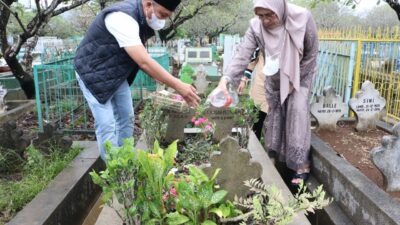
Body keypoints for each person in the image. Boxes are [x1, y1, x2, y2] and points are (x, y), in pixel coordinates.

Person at [74, 0, 200, 161]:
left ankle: (125, 159)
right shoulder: (122, 17)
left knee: (127, 118)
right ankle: (114, 172)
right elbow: (144, 61)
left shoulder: (141, 18)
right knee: (106, 124)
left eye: (167, 17)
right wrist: (178, 85)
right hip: (92, 72)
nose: (163, 20)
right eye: (162, 15)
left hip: (115, 73)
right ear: (148, 4)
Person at [216, 0, 318, 186]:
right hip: (275, 76)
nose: (265, 21)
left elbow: (311, 52)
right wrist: (226, 79)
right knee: (276, 112)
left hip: (300, 73)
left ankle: (301, 164)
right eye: (260, 15)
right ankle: (275, 153)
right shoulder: (256, 27)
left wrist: (295, 79)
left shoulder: (302, 18)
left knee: (297, 110)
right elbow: (242, 54)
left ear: (279, 8)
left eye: (270, 15)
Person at [237, 48, 268, 140]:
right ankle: (255, 148)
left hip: (279, 88)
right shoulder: (261, 40)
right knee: (257, 121)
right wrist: (244, 80)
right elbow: (252, 62)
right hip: (261, 88)